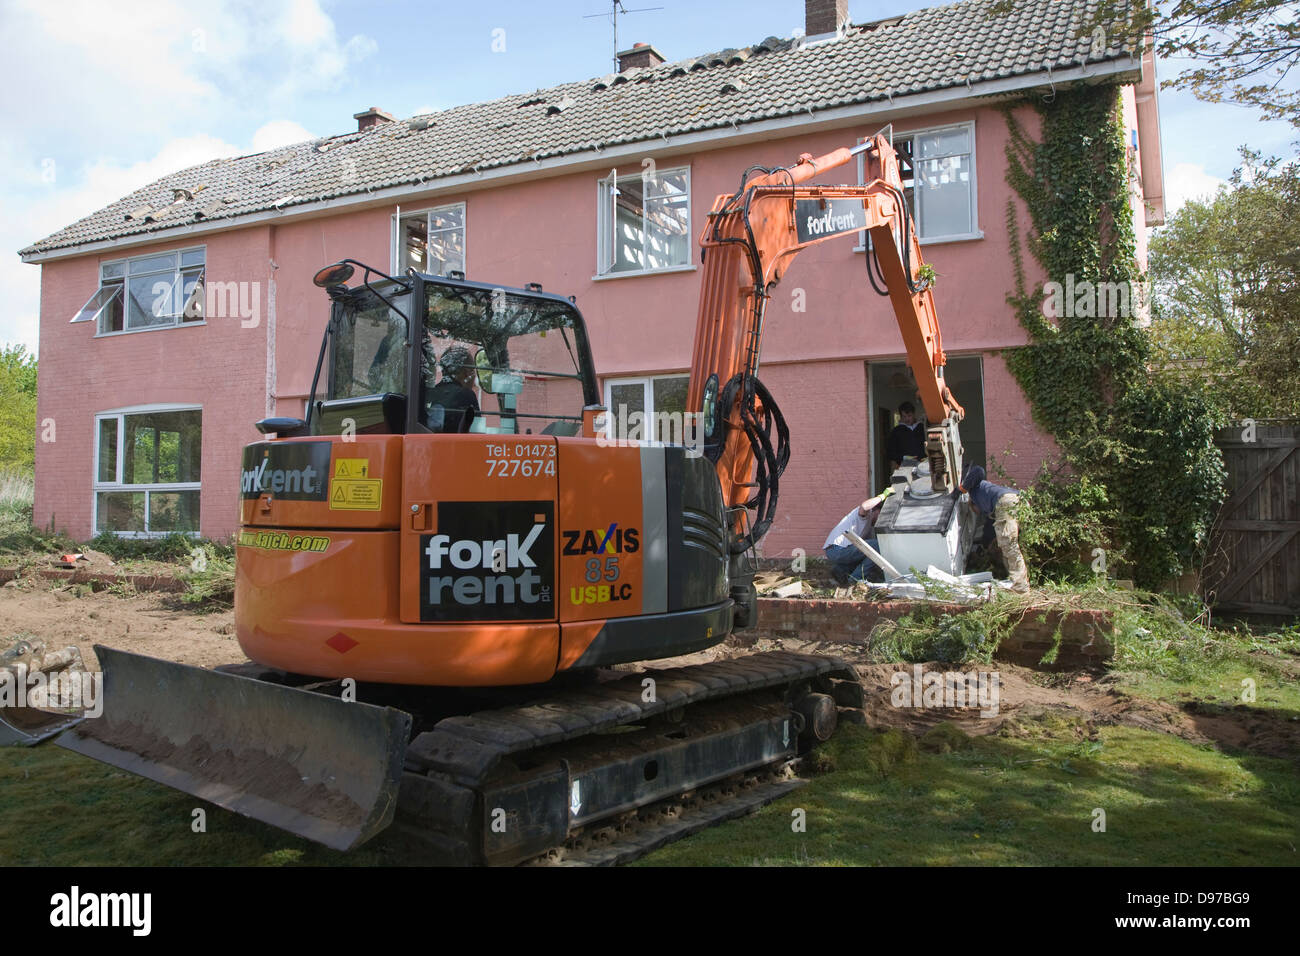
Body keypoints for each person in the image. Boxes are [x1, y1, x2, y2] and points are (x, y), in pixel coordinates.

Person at [959, 464, 1030, 593]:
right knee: (1009, 545)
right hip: (1021, 500)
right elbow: (988, 532)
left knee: (1009, 544)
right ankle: (1016, 580)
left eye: (975, 511)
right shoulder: (988, 498)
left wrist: (961, 489)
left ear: (972, 503)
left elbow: (979, 470)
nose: (977, 513)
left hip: (1006, 501)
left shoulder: (974, 489)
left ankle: (1021, 587)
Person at [823, 489, 893, 586]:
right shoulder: (864, 515)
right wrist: (883, 496)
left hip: (833, 551)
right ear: (875, 511)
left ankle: (840, 570)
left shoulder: (867, 527)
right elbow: (864, 506)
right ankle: (855, 579)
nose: (880, 519)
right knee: (877, 545)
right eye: (880, 515)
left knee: (868, 552)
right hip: (838, 549)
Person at [426, 345, 480, 433]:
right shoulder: (466, 395)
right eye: (473, 371)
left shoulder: (434, 392)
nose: (474, 378)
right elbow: (476, 432)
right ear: (466, 373)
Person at [887, 401, 925, 471]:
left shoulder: (922, 428)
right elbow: (891, 452)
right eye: (904, 416)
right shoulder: (896, 431)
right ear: (901, 416)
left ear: (914, 414)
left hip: (923, 466)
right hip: (904, 467)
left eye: (909, 416)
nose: (907, 419)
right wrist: (903, 458)